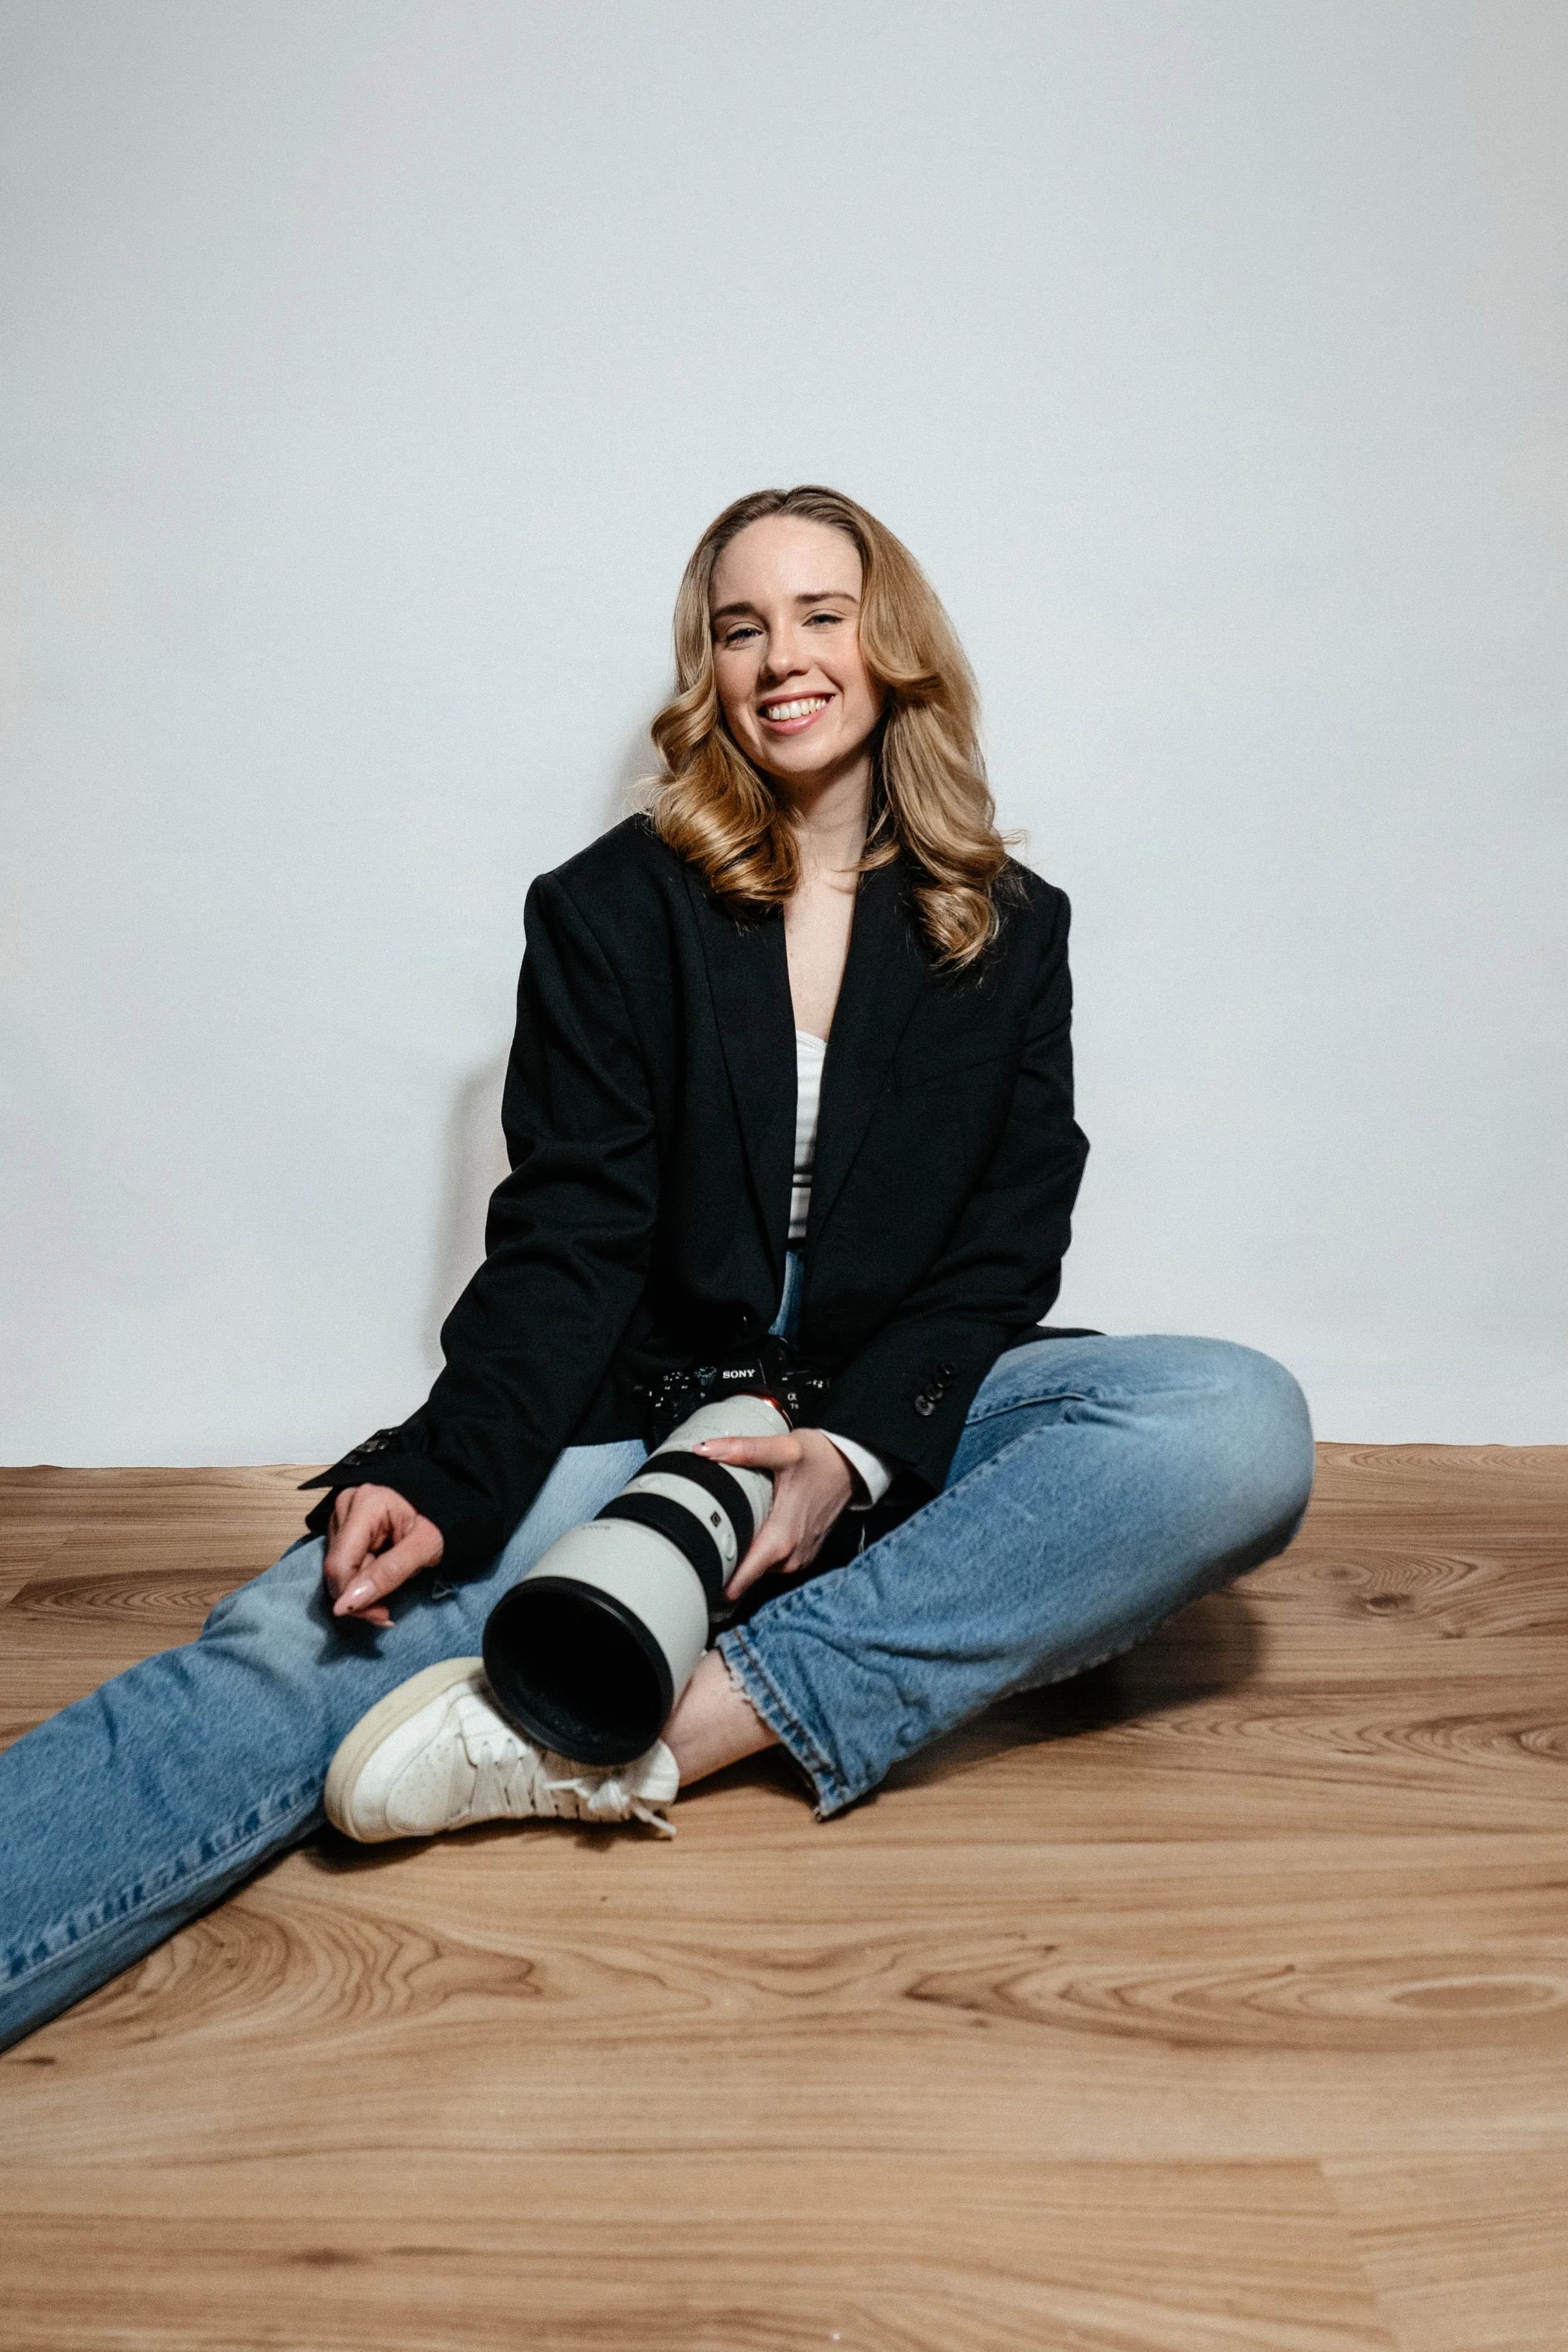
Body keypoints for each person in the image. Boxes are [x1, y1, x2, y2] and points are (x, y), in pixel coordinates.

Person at [0, 485, 1315, 2046]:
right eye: (738, 627)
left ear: (890, 646)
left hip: (888, 1413)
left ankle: (657, 1730)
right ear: (706, 668)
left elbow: (1000, 1256)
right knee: (289, 1651)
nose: (782, 659)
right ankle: (682, 1617)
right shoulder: (608, 911)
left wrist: (844, 1451)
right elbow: (569, 1241)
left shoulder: (1009, 931)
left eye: (820, 614)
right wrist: (442, 1469)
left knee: (1230, 1423)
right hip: (639, 1419)